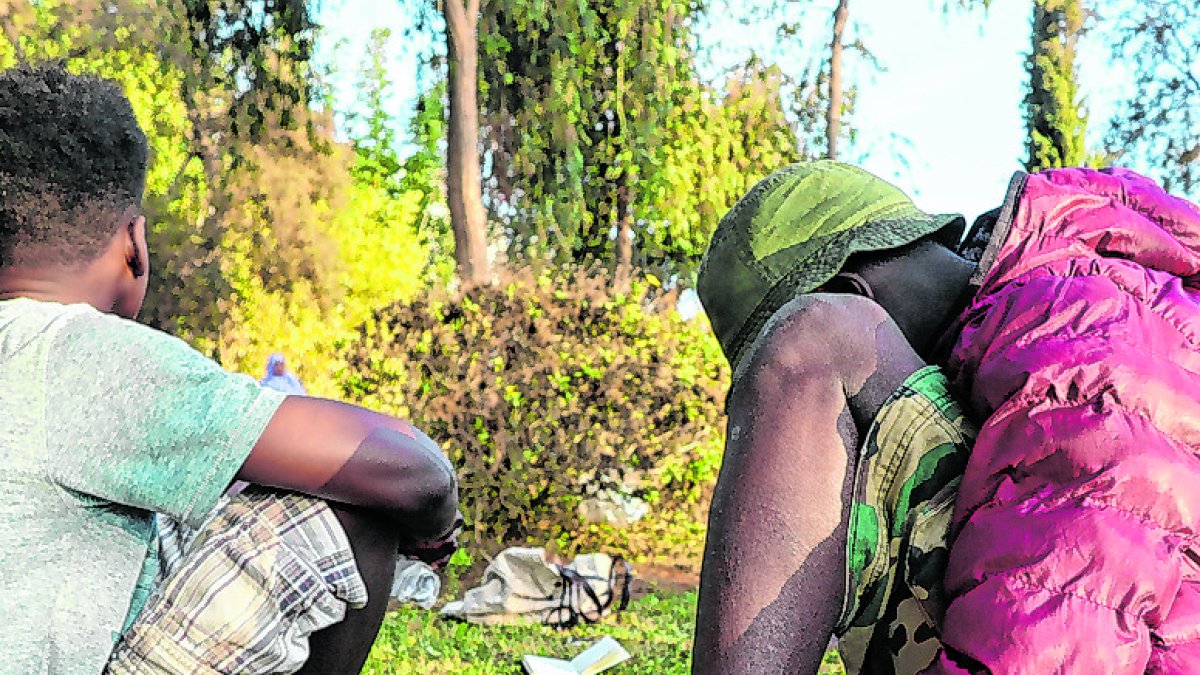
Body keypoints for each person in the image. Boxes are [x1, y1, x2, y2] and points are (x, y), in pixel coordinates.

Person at [0, 64, 460, 675]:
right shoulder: (83, 353)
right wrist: (432, 534)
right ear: (133, 245)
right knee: (351, 504)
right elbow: (411, 472)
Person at [691, 160, 1200, 673]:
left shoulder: (1072, 328)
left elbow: (1063, 623)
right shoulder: (1076, 291)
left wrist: (792, 372)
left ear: (855, 294)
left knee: (813, 339)